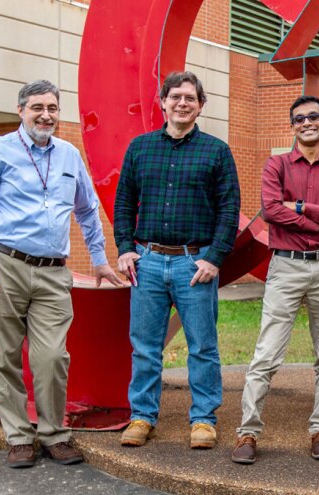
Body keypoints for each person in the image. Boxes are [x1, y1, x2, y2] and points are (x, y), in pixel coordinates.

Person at [0, 80, 123, 468]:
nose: (45, 114)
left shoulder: (69, 155)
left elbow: (86, 210)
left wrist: (99, 259)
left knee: (52, 357)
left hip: (52, 274)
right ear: (21, 111)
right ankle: (18, 437)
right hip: (4, 266)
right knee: (5, 359)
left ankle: (53, 434)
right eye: (37, 107)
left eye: (51, 107)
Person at [114, 71, 240, 449]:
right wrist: (124, 247)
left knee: (202, 345)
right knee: (145, 346)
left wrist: (214, 258)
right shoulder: (140, 148)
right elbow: (123, 202)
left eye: (190, 98)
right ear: (163, 102)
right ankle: (141, 417)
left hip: (194, 265)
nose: (182, 103)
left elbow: (229, 209)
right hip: (148, 262)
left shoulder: (216, 151)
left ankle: (203, 420)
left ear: (201, 105)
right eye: (176, 97)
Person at [231, 95, 319, 465]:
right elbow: (271, 210)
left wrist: (300, 208)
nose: (307, 122)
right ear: (292, 126)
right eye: (299, 118)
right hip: (286, 266)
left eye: (313, 116)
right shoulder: (277, 165)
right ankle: (248, 432)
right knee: (266, 353)